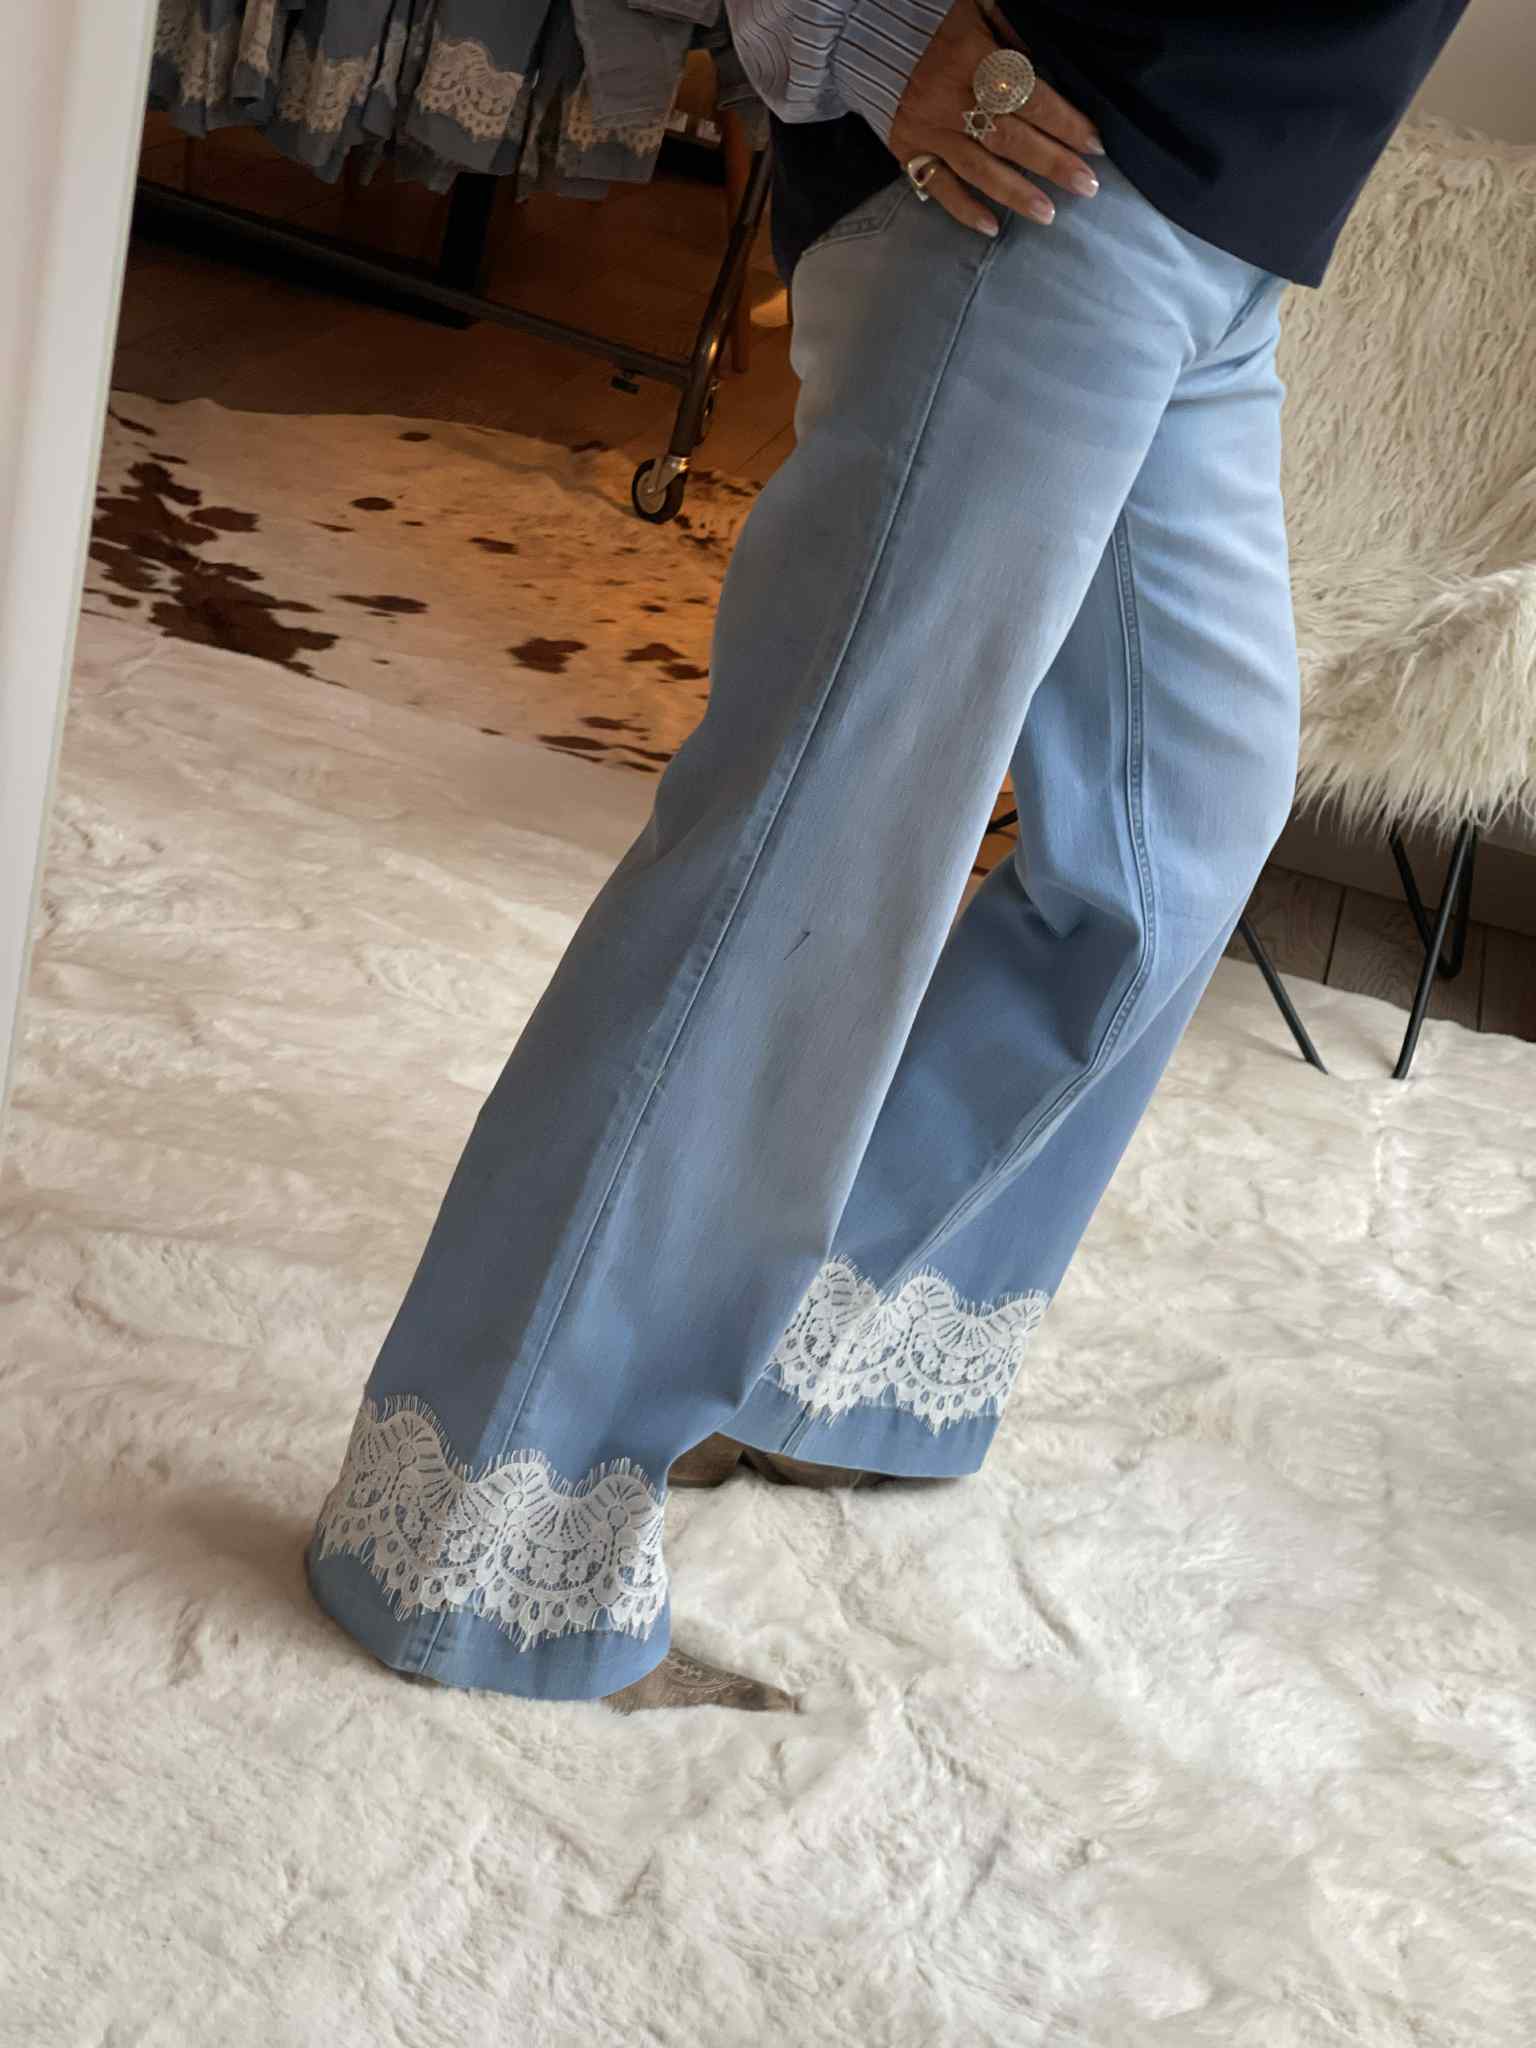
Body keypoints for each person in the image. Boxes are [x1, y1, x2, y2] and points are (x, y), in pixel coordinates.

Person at [304, 0, 1469, 1712]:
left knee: (1186, 831)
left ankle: (817, 1357)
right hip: (1036, 170)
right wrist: (860, 29)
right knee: (808, 863)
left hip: (1231, 226)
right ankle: (479, 1541)